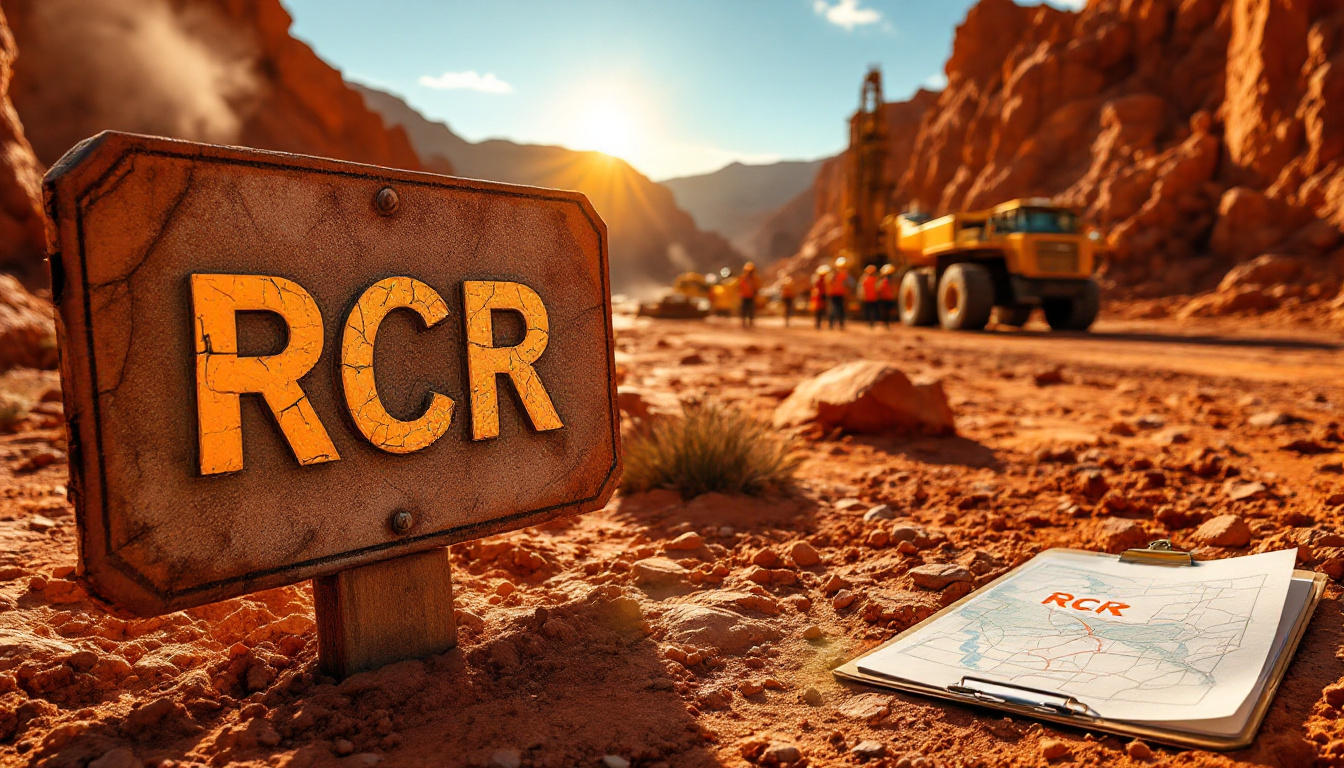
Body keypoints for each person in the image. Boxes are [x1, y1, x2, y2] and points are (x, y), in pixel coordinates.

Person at [827, 256, 852, 330]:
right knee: (838, 309)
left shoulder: (833, 274)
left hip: (836, 294)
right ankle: (839, 324)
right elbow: (848, 284)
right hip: (838, 294)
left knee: (836, 308)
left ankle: (834, 323)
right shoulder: (843, 274)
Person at [738, 262, 761, 328]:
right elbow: (739, 287)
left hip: (751, 296)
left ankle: (750, 322)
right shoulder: (743, 278)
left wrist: (756, 293)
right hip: (744, 296)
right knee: (744, 310)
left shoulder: (754, 279)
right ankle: (744, 322)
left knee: (750, 310)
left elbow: (757, 287)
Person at [860, 264, 881, 329]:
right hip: (872, 297)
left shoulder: (864, 278)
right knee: (872, 310)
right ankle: (871, 322)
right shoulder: (875, 279)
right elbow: (878, 288)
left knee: (869, 310)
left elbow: (862, 288)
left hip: (868, 297)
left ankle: (870, 322)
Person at [877, 264, 897, 329]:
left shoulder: (884, 280)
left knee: (886, 312)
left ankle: (887, 323)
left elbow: (881, 288)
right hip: (888, 297)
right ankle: (887, 323)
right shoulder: (890, 280)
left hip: (885, 298)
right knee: (887, 311)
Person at [811, 265, 830, 330]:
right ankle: (820, 324)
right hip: (821, 297)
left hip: (819, 297)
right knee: (821, 311)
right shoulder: (822, 281)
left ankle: (819, 324)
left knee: (819, 311)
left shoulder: (818, 281)